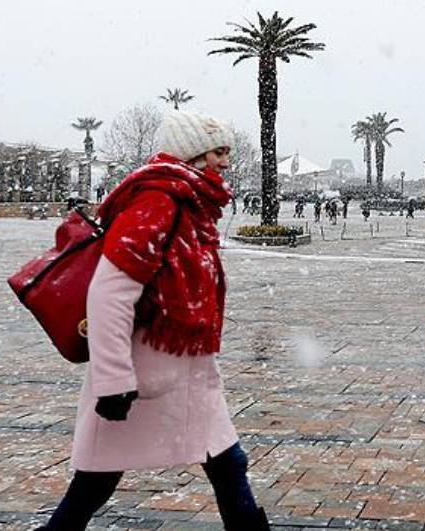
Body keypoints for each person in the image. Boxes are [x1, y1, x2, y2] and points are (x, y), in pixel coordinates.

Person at [37, 110, 268, 530]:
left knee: (228, 463)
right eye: (219, 151)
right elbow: (109, 292)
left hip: (186, 365)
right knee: (96, 480)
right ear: (193, 152)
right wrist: (112, 381)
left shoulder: (190, 202)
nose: (226, 162)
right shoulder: (158, 200)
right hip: (144, 372)